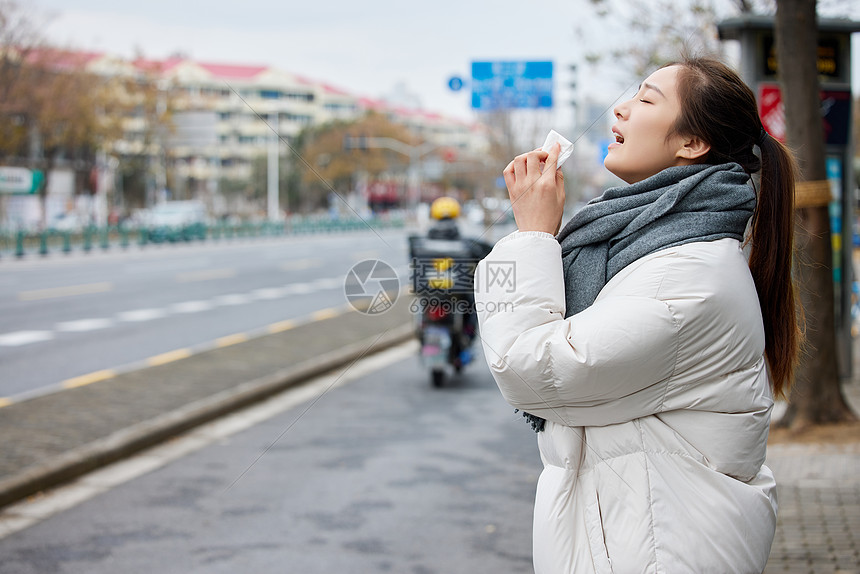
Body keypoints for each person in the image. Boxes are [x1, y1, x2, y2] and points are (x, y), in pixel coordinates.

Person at [474, 56, 801, 573]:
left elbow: (528, 369)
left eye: (646, 99)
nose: (621, 109)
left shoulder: (687, 278)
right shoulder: (645, 246)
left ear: (692, 144)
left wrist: (531, 237)